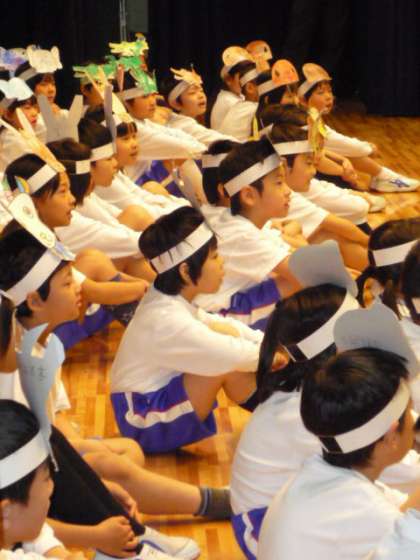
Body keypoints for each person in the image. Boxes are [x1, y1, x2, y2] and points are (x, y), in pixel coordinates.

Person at [110, 206, 286, 453]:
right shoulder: (165, 319)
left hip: (150, 400)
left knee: (226, 341)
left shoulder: (169, 300)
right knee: (224, 361)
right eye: (214, 257)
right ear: (185, 271)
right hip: (141, 417)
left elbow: (223, 326)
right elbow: (227, 353)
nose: (222, 262)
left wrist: (267, 344)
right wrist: (273, 357)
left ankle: (283, 412)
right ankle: (286, 415)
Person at [259, 303, 420, 560]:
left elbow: (399, 511)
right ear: (391, 435)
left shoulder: (323, 474)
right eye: (410, 411)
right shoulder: (364, 511)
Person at [298, 63, 420, 193]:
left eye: (329, 91)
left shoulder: (314, 117)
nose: (328, 97)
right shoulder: (305, 122)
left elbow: (330, 140)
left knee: (350, 153)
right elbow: (333, 143)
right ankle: (384, 177)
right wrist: (365, 149)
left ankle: (383, 177)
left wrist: (351, 155)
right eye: (320, 93)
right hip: (305, 174)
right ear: (303, 100)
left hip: (316, 163)